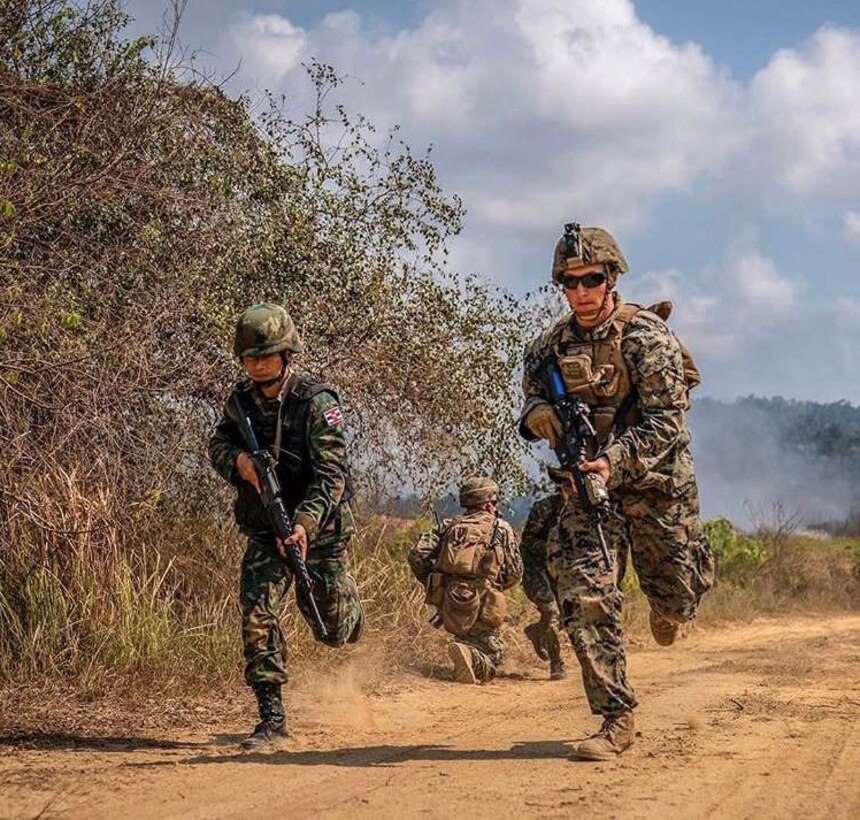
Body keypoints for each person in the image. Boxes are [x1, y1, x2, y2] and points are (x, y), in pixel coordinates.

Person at [519, 224, 715, 760]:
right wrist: (541, 418)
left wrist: (613, 460)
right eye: (570, 281)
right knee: (585, 594)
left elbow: (665, 423)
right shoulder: (552, 346)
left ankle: (673, 604)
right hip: (586, 490)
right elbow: (532, 395)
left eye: (591, 280)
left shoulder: (647, 338)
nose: (580, 291)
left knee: (675, 593)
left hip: (654, 487)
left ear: (612, 279)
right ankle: (615, 718)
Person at [208, 303, 364, 749]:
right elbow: (218, 442)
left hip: (320, 529)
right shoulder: (240, 402)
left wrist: (304, 525)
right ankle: (271, 718)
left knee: (332, 629)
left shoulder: (316, 403)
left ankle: (348, 606)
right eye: (250, 356)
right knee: (257, 611)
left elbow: (332, 476)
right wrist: (238, 462)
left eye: (268, 354)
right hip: (265, 529)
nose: (258, 363)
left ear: (287, 354)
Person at [408, 478, 523, 684]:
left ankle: (464, 653)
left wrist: (433, 580)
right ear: (489, 504)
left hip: (449, 597)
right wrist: (495, 585)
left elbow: (417, 554)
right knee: (493, 654)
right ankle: (472, 657)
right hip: (485, 598)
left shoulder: (448, 526)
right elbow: (515, 571)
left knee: (464, 635)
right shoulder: (501, 528)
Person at [519, 493, 568, 681]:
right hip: (535, 568)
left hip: (559, 570)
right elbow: (528, 541)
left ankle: (536, 631)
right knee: (551, 612)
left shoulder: (581, 509)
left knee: (566, 615)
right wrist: (555, 547)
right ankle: (557, 663)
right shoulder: (544, 507)